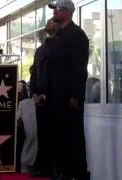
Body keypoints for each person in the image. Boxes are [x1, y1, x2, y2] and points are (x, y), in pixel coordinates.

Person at [44, 0, 90, 179]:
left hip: (69, 98)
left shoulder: (76, 34)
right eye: (54, 9)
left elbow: (79, 68)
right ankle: (61, 173)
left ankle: (76, 175)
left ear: (67, 11)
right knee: (58, 140)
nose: (54, 12)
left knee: (73, 140)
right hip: (55, 97)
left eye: (57, 9)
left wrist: (75, 95)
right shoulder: (58, 36)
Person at [29, 18, 60, 176]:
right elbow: (34, 72)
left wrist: (45, 96)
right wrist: (33, 93)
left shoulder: (62, 48)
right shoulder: (40, 50)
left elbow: (59, 76)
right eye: (47, 22)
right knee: (42, 134)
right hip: (39, 101)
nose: (48, 23)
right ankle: (43, 168)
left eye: (52, 21)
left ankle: (56, 171)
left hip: (55, 100)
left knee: (56, 136)